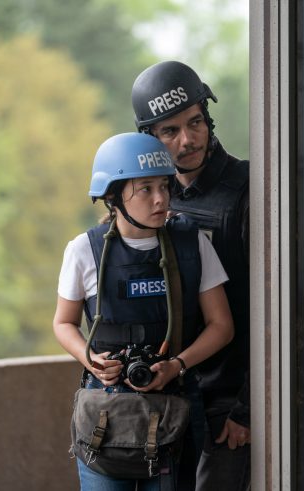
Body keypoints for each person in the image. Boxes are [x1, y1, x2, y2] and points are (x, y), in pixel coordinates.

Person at [53, 132, 234, 490]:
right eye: (145, 189)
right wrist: (90, 359)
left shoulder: (193, 244)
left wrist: (176, 365)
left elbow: (221, 325)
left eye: (164, 186)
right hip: (105, 410)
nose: (161, 198)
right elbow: (63, 322)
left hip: (174, 404)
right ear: (113, 197)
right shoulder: (83, 250)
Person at [131, 61, 251, 490]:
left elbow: (275, 309)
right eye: (171, 131)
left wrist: (248, 408)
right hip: (172, 399)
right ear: (150, 137)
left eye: (195, 122)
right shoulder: (153, 201)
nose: (188, 139)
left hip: (228, 406)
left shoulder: (248, 190)